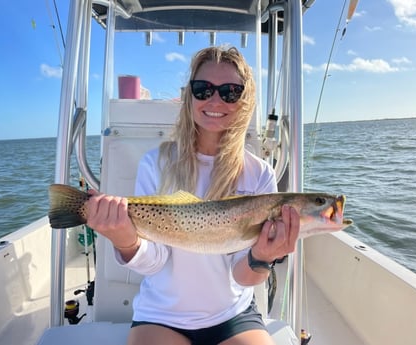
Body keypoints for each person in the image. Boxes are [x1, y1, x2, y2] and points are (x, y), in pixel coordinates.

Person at [86, 46, 301, 345]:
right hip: (162, 315)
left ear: (245, 100)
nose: (215, 100)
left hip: (233, 315)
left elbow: (243, 276)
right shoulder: (156, 163)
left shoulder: (260, 174)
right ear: (190, 95)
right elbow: (156, 261)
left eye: (230, 92)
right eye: (203, 89)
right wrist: (125, 240)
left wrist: (263, 257)